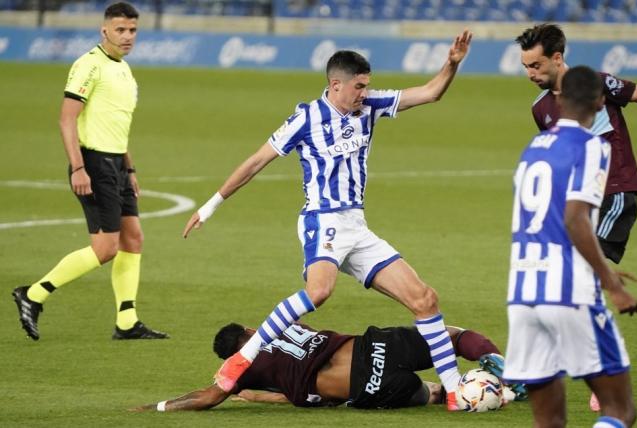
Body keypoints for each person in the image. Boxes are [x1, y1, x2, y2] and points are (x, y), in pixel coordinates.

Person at [182, 31, 473, 410]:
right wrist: (210, 205)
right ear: (336, 85)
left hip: (357, 226)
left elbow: (431, 92)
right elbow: (256, 161)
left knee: (424, 299)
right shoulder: (306, 118)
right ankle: (245, 356)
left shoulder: (369, 105)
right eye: (359, 87)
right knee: (319, 291)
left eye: (367, 86)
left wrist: (451, 63)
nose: (364, 93)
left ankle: (454, 392)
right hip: (322, 221)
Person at [12, 2, 168, 341]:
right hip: (93, 164)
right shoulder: (89, 65)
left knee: (134, 239)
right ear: (105, 31)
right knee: (105, 249)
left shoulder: (124, 70)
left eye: (133, 30)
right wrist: (79, 168)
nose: (128, 37)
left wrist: (130, 168)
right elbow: (66, 118)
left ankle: (127, 322)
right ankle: (34, 294)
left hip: (116, 165)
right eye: (121, 30)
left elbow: (117, 124)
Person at [502, 65, 637, 428]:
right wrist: (612, 282)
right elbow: (575, 218)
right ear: (599, 101)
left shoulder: (533, 147)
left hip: (522, 295)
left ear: (559, 99)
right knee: (620, 410)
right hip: (568, 293)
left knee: (548, 422)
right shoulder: (593, 146)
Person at [515, 23, 637, 265]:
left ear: (557, 58)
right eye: (526, 67)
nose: (530, 73)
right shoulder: (540, 108)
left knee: (583, 264)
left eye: (536, 65)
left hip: (615, 192)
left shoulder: (595, 84)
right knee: (574, 269)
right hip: (580, 201)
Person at [134, 321, 514, 411]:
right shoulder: (278, 324)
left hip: (367, 387)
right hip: (374, 346)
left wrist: (162, 405)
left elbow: (208, 395)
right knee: (450, 335)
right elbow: (314, 337)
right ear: (249, 329)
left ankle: (488, 394)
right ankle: (509, 372)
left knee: (430, 393)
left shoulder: (241, 366)